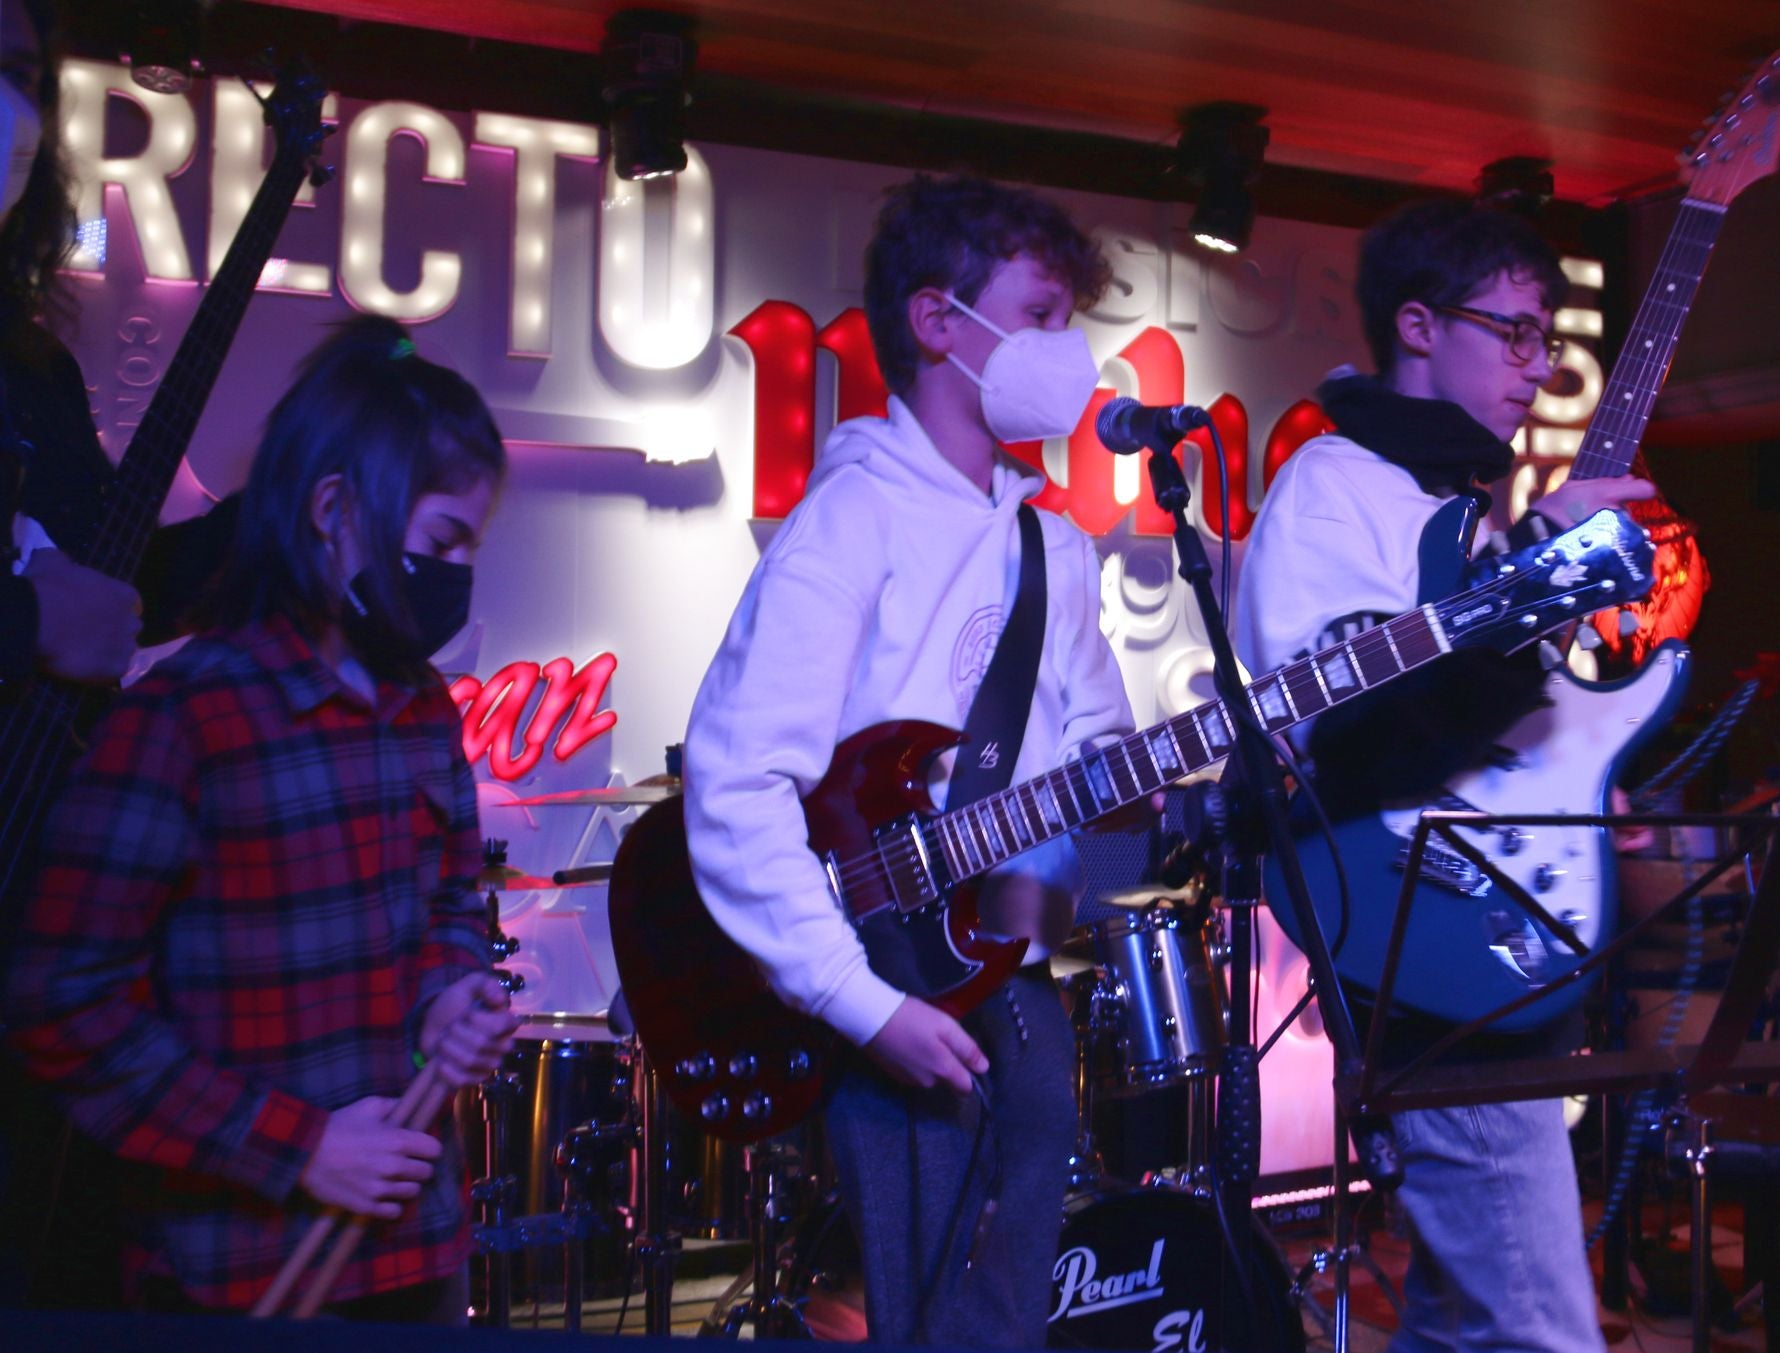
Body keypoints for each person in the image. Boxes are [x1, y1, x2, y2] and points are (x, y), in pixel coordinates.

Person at [681, 174, 1135, 1347]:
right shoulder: (853, 519)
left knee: (1008, 1311)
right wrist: (861, 1003)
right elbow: (736, 782)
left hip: (1010, 979)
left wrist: (1205, 767)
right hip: (884, 991)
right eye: (1040, 316)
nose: (1068, 350)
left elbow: (1101, 748)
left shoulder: (1055, 542)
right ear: (940, 322)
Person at [3, 315, 520, 1318]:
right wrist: (304, 1146)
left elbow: (451, 903)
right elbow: (60, 1003)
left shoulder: (424, 714)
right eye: (443, 541)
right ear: (335, 510)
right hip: (229, 1273)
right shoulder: (184, 718)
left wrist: (451, 996)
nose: (458, 574)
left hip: (416, 1249)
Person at [1236, 198, 1655, 1351]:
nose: (1539, 368)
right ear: (1418, 326)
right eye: (1513, 333)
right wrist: (1530, 569)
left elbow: (1475, 720)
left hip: (1476, 917)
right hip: (1418, 930)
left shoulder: (1452, 506)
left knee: (1468, 1315)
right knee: (1539, 1326)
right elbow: (1343, 722)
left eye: (1548, 340)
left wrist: (1571, 783)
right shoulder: (1334, 486)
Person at [0, 0, 236, 1309]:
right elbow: (66, 610)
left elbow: (120, 569)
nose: (11, 107)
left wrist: (291, 509)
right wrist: (31, 625)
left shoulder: (31, 367)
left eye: (25, 74)